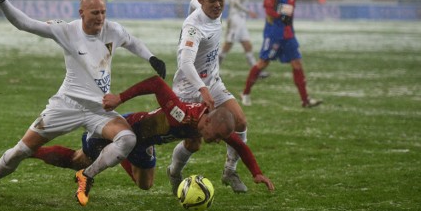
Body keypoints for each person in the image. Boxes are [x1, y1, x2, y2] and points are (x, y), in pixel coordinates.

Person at [0, 0, 167, 206]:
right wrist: (2, 2)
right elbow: (26, 24)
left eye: (103, 12)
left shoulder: (113, 30)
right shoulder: (66, 30)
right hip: (67, 104)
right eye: (94, 13)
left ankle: (86, 175)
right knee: (21, 150)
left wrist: (151, 58)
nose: (100, 18)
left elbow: (132, 41)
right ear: (81, 13)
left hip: (98, 108)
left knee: (127, 139)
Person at [32, 76, 274, 192]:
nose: (217, 141)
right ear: (207, 121)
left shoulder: (209, 124)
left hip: (145, 142)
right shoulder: (181, 113)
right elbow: (157, 83)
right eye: (217, 136)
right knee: (78, 161)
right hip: (127, 130)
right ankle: (31, 151)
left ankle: (118, 156)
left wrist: (257, 173)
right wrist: (120, 98)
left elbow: (240, 145)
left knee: (145, 185)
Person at [168, 0, 251, 194]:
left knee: (240, 121)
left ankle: (230, 170)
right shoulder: (193, 29)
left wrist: (208, 86)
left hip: (212, 81)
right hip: (189, 89)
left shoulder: (204, 7)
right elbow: (185, 62)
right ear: (202, 0)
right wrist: (201, 89)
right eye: (212, 1)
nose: (217, 5)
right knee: (194, 144)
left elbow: (192, 5)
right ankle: (174, 172)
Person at [240, 0, 322, 108]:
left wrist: (287, 19)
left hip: (288, 33)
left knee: (297, 63)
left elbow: (290, 11)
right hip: (274, 33)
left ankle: (305, 100)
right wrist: (281, 14)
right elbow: (268, 9)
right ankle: (245, 93)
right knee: (263, 63)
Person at [218, 0, 269, 80]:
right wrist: (248, 11)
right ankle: (213, 70)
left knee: (247, 45)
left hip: (241, 20)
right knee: (228, 45)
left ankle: (256, 72)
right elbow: (235, 3)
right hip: (235, 19)